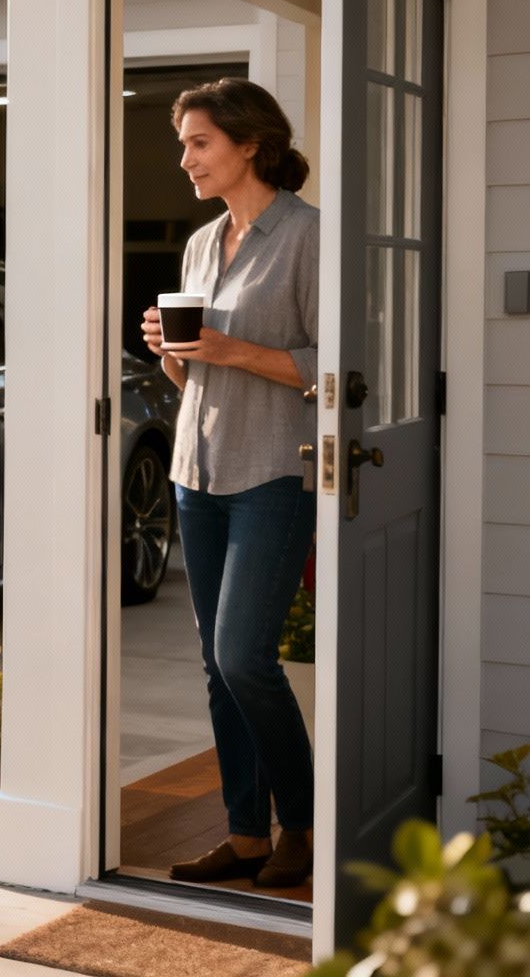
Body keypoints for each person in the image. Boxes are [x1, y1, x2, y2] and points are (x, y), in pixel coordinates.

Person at [140, 78, 318, 890]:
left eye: (199, 143)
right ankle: (246, 834)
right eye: (184, 145)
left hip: (273, 473)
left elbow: (336, 369)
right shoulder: (203, 243)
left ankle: (303, 825)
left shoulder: (308, 237)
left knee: (245, 655)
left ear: (250, 144)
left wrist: (231, 349)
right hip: (197, 471)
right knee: (217, 665)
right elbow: (199, 379)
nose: (185, 159)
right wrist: (174, 355)